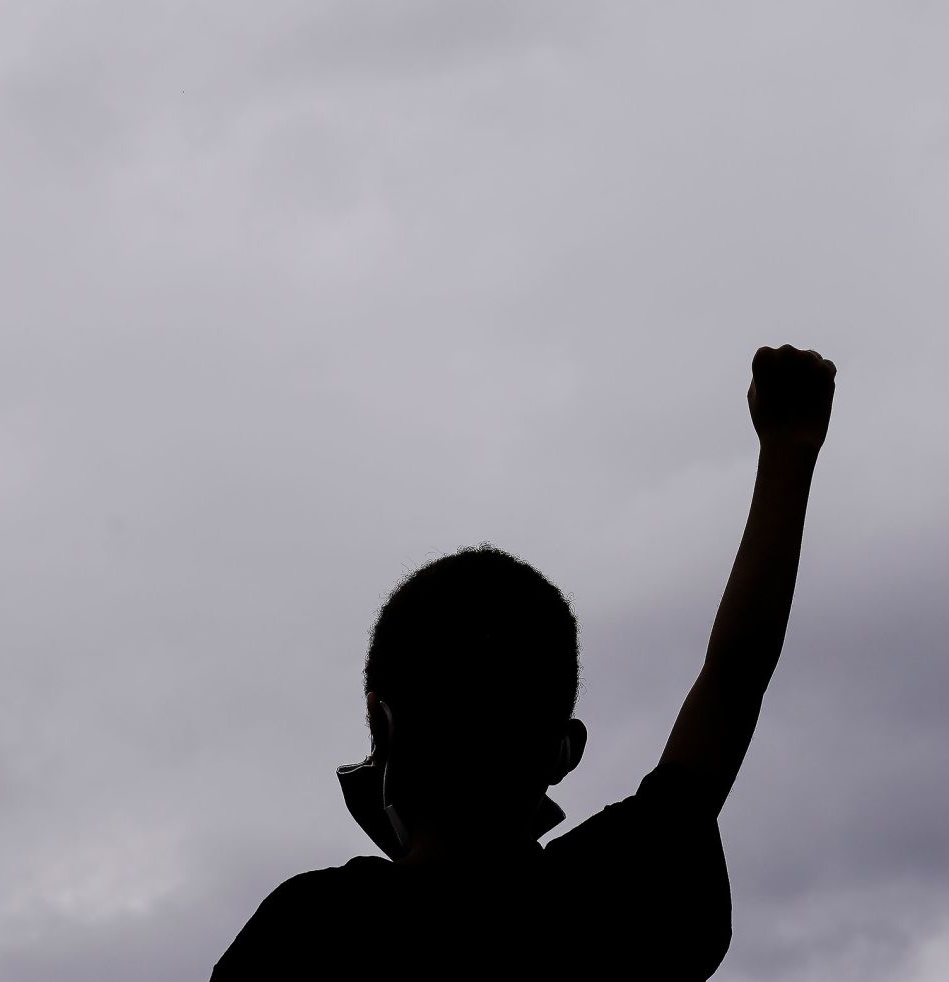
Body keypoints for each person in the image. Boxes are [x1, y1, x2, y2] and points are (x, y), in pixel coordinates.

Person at [211, 344, 837, 980]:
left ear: (382, 722)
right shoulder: (625, 901)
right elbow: (734, 677)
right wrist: (787, 453)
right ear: (565, 749)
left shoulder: (305, 934)